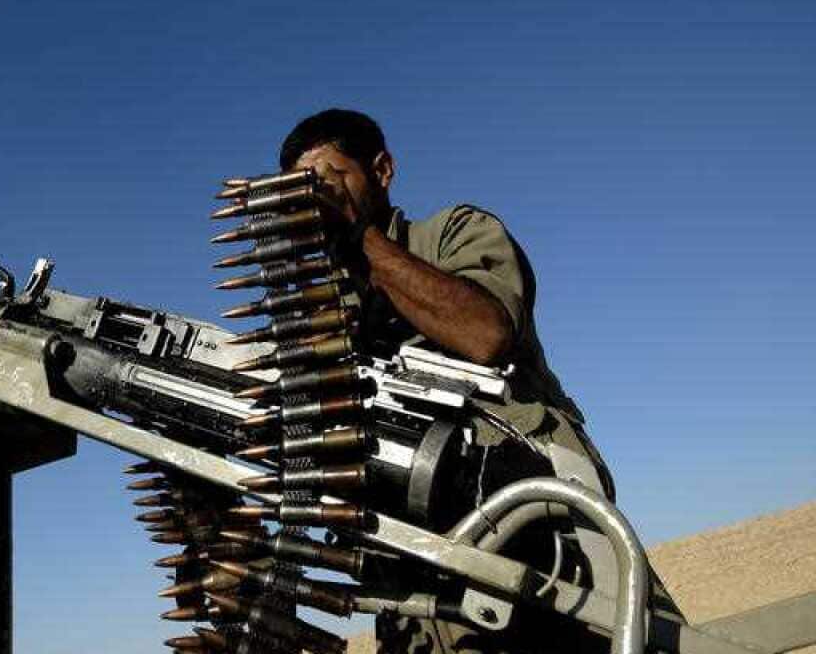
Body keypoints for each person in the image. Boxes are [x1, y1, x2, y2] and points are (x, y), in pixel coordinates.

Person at [277, 109, 669, 653]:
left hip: (532, 510)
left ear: (383, 170)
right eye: (305, 187)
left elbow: (485, 334)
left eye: (333, 175)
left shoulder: (452, 233)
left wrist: (360, 243)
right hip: (416, 553)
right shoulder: (323, 308)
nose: (319, 195)